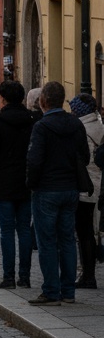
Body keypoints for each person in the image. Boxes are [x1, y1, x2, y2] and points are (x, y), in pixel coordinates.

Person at [26, 81, 89, 304]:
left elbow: (34, 161)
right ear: (62, 100)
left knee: (47, 242)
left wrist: (31, 183)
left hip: (46, 190)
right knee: (68, 240)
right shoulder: (76, 124)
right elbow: (85, 156)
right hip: (70, 189)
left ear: (43, 101)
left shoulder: (42, 127)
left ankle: (51, 291)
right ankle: (68, 292)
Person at [0, 81, 34, 290]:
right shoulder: (32, 121)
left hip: (4, 182)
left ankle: (9, 277)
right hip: (27, 181)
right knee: (24, 230)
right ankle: (25, 277)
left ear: (3, 98)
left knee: (7, 231)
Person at [69, 94, 102, 288]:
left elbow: (84, 160)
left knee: (84, 232)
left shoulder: (83, 129)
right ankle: (88, 273)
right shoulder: (99, 125)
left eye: (73, 108)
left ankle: (88, 275)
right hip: (97, 184)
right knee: (89, 231)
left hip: (86, 186)